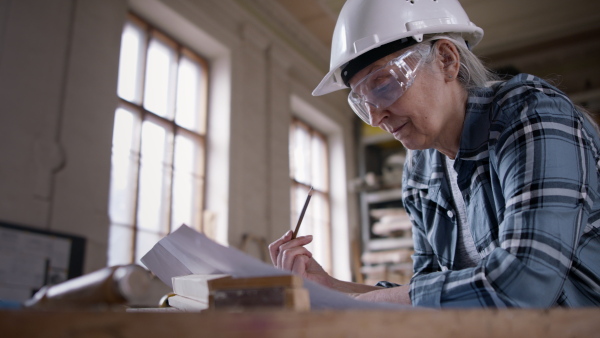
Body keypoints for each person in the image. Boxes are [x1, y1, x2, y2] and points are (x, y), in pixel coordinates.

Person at [269, 0, 600, 308]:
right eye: (362, 102)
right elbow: (431, 295)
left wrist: (357, 307)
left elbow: (526, 283)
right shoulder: (422, 170)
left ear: (446, 60)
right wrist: (331, 288)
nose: (375, 118)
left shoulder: (531, 116)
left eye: (384, 85)